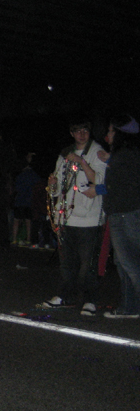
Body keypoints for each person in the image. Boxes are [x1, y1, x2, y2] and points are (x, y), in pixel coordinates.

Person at [42, 117, 106, 314]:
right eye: (77, 130)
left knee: (88, 263)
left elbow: (101, 181)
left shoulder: (97, 152)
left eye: (85, 130)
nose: (82, 134)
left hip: (89, 218)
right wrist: (52, 185)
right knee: (67, 262)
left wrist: (82, 162)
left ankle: (90, 299)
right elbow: (57, 187)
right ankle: (65, 296)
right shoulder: (64, 154)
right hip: (67, 216)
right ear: (71, 133)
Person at [83, 114, 140, 318]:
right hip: (124, 214)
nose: (107, 135)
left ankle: (131, 306)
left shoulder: (126, 155)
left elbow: (119, 187)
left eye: (110, 131)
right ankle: (129, 307)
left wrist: (96, 189)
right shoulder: (126, 155)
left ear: (120, 134)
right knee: (123, 263)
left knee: (130, 264)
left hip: (126, 215)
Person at [12, 152, 42, 246]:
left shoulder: (20, 175)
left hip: (20, 201)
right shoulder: (34, 175)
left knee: (17, 220)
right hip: (29, 201)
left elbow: (16, 188)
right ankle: (28, 239)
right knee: (28, 221)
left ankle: (14, 239)